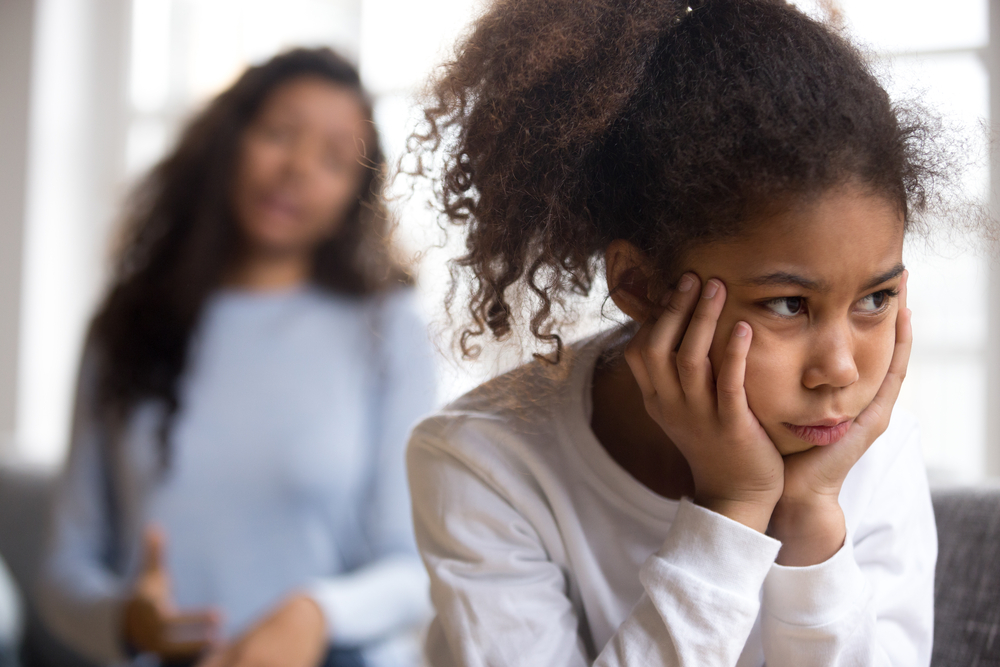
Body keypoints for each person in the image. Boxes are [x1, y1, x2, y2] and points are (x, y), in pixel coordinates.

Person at [404, 0, 962, 664]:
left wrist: (810, 518)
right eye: (787, 304)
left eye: (875, 297)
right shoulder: (482, 463)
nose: (840, 370)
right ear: (640, 286)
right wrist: (731, 510)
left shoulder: (869, 446)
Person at [39, 48, 434, 667]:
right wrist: (127, 620)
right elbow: (66, 568)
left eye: (333, 159)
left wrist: (318, 614)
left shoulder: (388, 331)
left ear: (352, 198)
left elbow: (412, 572)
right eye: (279, 134)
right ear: (229, 141)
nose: (298, 168)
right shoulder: (123, 325)